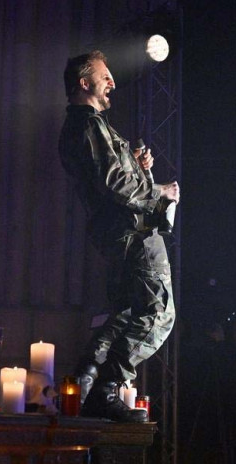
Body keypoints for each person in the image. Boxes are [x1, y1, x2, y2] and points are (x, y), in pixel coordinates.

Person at [58, 50, 180, 422]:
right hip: (134, 233)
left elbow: (114, 175)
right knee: (158, 314)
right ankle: (108, 389)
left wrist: (139, 169)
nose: (112, 82)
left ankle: (85, 383)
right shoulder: (88, 124)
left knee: (126, 314)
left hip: (120, 235)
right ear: (84, 83)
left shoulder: (88, 126)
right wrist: (159, 193)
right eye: (104, 76)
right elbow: (114, 183)